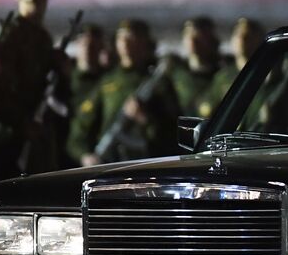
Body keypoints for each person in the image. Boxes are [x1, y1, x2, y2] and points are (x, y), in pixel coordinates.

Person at [0, 0, 65, 179]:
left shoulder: (44, 39)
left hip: (36, 137)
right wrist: (21, 123)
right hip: (10, 137)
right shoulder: (6, 33)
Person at [70, 19, 180, 166]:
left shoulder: (159, 83)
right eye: (122, 38)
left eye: (132, 38)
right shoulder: (107, 81)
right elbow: (80, 128)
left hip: (148, 162)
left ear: (145, 43)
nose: (126, 43)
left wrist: (146, 120)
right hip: (109, 161)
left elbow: (174, 133)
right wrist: (84, 155)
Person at [200, 17, 265, 118]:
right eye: (238, 35)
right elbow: (207, 108)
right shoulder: (224, 76)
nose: (241, 39)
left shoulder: (269, 73)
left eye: (247, 36)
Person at [169, 16, 221, 121]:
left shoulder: (223, 72)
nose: (193, 39)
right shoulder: (175, 71)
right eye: (188, 34)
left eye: (199, 35)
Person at [70, 23, 108, 114]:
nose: (87, 51)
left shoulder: (107, 78)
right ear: (77, 45)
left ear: (101, 47)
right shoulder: (67, 76)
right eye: (84, 45)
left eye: (93, 47)